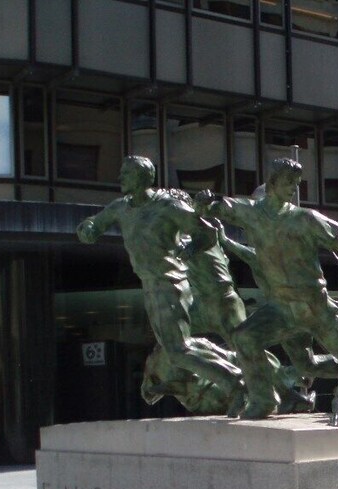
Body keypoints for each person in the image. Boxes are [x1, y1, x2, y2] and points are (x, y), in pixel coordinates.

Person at [198, 158, 338, 419]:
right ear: (272, 182)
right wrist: (204, 202)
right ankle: (263, 399)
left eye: (297, 184)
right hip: (281, 308)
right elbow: (220, 208)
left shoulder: (306, 219)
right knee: (245, 338)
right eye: (289, 183)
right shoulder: (252, 213)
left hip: (314, 305)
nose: (294, 189)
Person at [76, 156, 243, 400]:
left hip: (170, 283)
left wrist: (189, 250)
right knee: (174, 349)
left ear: (145, 177)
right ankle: (230, 380)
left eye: (127, 173)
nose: (120, 178)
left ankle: (234, 382)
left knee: (177, 350)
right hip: (150, 285)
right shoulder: (120, 208)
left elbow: (205, 232)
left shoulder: (167, 206)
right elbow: (94, 224)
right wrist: (87, 229)